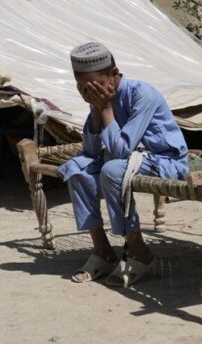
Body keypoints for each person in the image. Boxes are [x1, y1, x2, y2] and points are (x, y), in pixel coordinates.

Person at [58, 42, 189, 287]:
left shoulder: (142, 95)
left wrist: (105, 107)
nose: (90, 93)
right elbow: (91, 150)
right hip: (129, 161)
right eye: (83, 89)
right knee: (76, 168)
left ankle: (139, 252)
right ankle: (102, 252)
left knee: (112, 170)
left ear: (115, 74)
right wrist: (97, 109)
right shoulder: (99, 101)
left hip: (164, 161)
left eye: (95, 87)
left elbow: (120, 151)